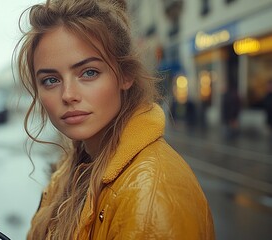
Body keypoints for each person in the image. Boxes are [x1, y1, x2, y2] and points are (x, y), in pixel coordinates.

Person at [15, 0, 215, 239]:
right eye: (51, 80)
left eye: (89, 72)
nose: (68, 95)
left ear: (125, 75)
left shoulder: (150, 194)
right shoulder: (78, 164)